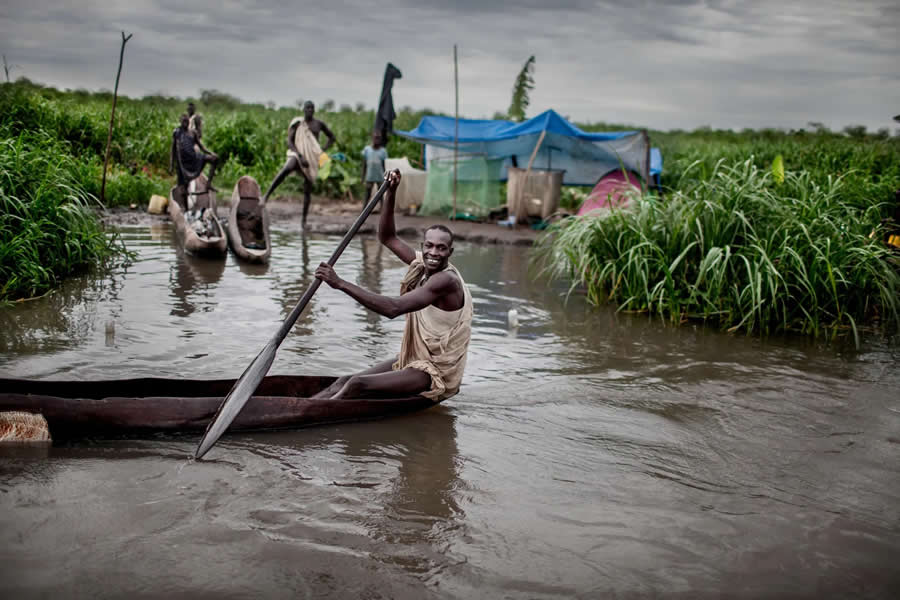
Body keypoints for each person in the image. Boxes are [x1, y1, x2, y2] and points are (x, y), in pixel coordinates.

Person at [313, 169, 473, 401]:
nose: (433, 253)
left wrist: (340, 283)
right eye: (429, 246)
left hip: (434, 370)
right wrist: (392, 192)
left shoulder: (445, 280)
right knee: (343, 381)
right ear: (423, 245)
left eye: (441, 248)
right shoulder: (422, 265)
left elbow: (393, 309)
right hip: (417, 356)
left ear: (450, 252)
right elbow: (387, 237)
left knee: (357, 384)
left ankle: (315, 417)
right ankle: (303, 405)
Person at [262, 100, 336, 228]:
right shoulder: (298, 124)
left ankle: (303, 221)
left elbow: (332, 137)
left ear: (314, 110)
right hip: (297, 154)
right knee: (287, 168)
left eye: (312, 108)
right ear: (303, 109)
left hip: (312, 158)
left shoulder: (318, 124)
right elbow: (290, 141)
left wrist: (322, 150)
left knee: (308, 189)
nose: (309, 110)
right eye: (307, 108)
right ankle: (265, 196)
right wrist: (300, 156)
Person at [170, 113, 218, 194]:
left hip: (194, 159)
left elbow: (202, 147)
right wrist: (171, 165)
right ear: (180, 122)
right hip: (183, 164)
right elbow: (173, 149)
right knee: (183, 188)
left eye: (186, 121)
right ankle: (184, 205)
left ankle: (208, 184)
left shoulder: (193, 132)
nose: (185, 123)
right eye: (183, 121)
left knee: (214, 159)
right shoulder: (177, 132)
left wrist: (211, 153)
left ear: (189, 121)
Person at [360, 130, 387, 204]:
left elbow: (383, 165)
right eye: (375, 138)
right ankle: (364, 210)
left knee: (380, 194)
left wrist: (385, 177)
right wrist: (362, 177)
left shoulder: (383, 151)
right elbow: (364, 164)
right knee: (367, 194)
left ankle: (383, 211)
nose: (377, 140)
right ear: (372, 138)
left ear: (380, 139)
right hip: (370, 176)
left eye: (378, 138)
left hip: (379, 176)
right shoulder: (367, 150)